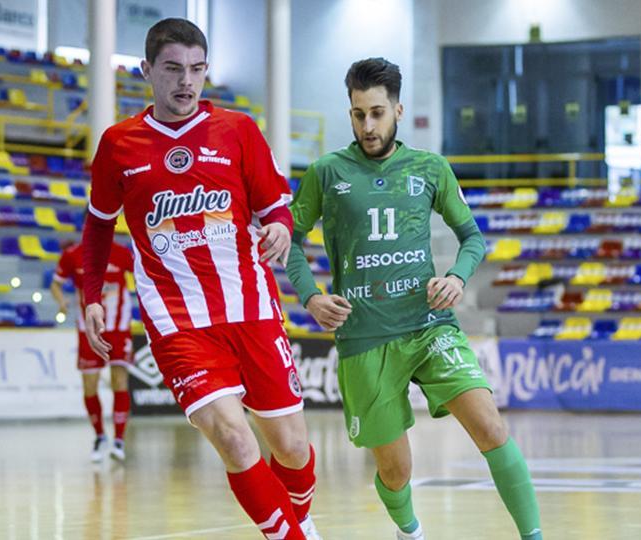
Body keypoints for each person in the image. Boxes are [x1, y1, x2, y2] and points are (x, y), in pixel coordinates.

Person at [81, 18, 321, 540]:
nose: (186, 81)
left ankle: (296, 519)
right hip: (178, 323)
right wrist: (92, 293)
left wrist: (280, 229)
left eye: (196, 69)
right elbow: (98, 225)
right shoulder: (118, 144)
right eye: (172, 69)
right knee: (235, 441)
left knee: (294, 449)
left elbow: (276, 207)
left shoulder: (239, 131)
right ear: (146, 71)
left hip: (252, 309)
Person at [287, 57, 542, 539]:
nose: (368, 124)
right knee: (396, 470)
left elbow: (473, 239)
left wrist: (458, 278)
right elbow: (289, 242)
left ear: (399, 110)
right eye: (359, 114)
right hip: (364, 340)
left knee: (490, 427)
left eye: (378, 112)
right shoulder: (325, 173)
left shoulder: (430, 168)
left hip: (429, 326)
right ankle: (410, 531)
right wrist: (312, 297)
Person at [51, 240, 135, 462]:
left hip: (119, 327)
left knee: (119, 381)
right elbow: (56, 284)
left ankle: (119, 440)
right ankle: (99, 436)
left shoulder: (121, 253)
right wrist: (62, 303)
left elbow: (142, 275)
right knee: (90, 385)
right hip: (88, 330)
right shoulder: (72, 255)